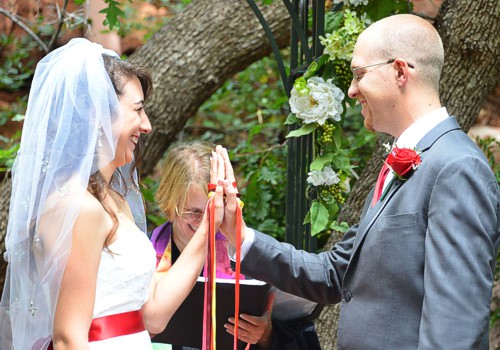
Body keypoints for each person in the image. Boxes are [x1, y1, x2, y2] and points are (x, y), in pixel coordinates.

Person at [217, 14, 500, 350]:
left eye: (359, 74)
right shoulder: (403, 162)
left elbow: (455, 325)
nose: (351, 91)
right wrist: (239, 234)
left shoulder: (456, 167)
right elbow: (337, 272)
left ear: (399, 71)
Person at [0, 38, 227, 350]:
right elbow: (68, 338)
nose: (146, 126)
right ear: (98, 116)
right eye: (137, 111)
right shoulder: (78, 206)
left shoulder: (116, 201)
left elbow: (154, 316)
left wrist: (209, 226)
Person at [151, 141, 322, 350]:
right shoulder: (142, 256)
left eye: (214, 210)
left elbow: (296, 332)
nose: (205, 221)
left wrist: (266, 335)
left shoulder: (247, 257)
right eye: (193, 212)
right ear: (170, 201)